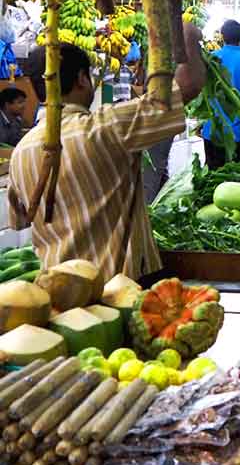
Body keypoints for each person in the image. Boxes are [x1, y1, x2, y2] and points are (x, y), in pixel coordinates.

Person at [8, 27, 206, 282]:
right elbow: (188, 85)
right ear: (81, 78)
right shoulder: (106, 128)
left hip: (56, 292)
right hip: (116, 288)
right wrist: (186, 32)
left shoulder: (20, 152)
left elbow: (20, 220)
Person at [202, 20, 240, 168]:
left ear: (222, 36)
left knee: (212, 177)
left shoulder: (210, 59)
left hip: (213, 130)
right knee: (238, 179)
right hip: (238, 131)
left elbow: (202, 91)